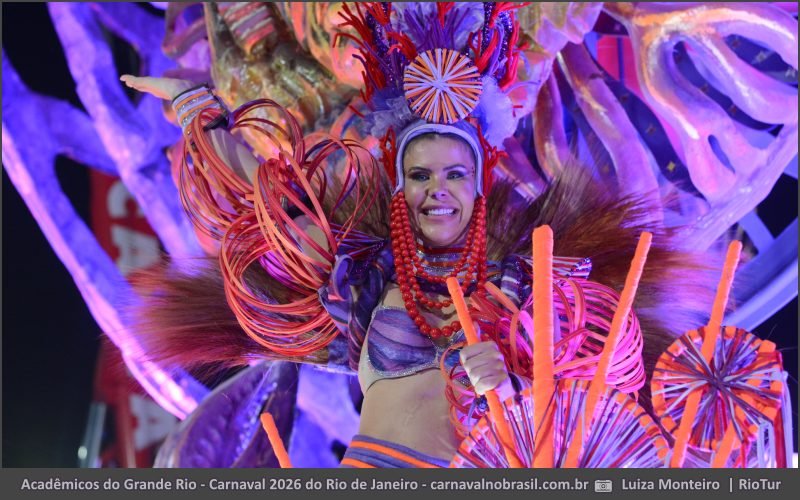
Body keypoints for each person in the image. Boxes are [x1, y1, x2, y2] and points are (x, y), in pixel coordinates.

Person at [120, 3, 719, 467]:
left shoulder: (525, 282)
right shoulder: (361, 278)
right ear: (400, 185)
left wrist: (506, 394)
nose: (438, 189)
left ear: (478, 184)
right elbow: (250, 221)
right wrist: (196, 107)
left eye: (455, 174)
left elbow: (581, 403)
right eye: (420, 173)